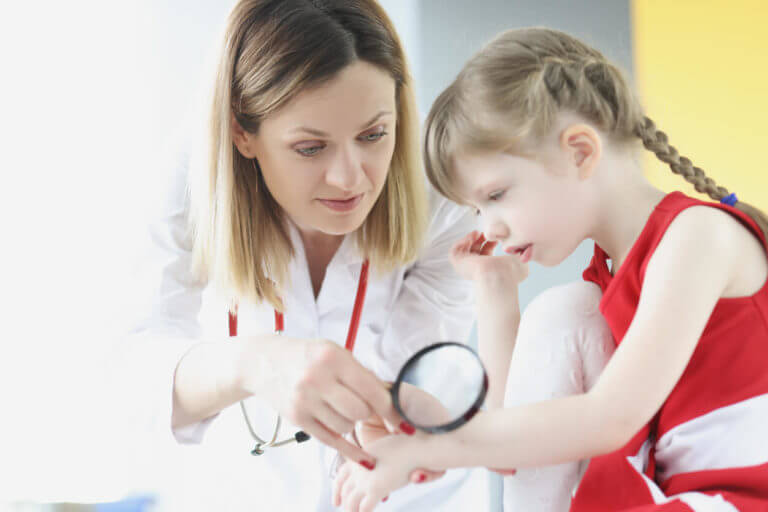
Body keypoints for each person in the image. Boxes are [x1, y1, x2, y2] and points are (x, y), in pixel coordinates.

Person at [332, 27, 768, 512]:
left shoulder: (695, 236)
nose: (489, 227)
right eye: (476, 211)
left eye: (495, 196)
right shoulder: (607, 276)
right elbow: (516, 449)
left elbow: (611, 419)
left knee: (564, 311)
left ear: (579, 151)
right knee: (562, 311)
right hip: (677, 493)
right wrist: (495, 289)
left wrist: (430, 447)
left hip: (739, 497)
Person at [123, 0, 489, 510]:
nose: (349, 178)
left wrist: (394, 426)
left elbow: (413, 376)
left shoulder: (442, 184)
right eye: (310, 148)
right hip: (237, 492)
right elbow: (129, 379)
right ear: (241, 132)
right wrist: (252, 363)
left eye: (373, 135)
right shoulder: (188, 179)